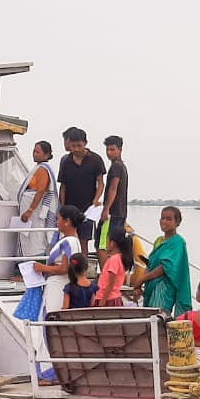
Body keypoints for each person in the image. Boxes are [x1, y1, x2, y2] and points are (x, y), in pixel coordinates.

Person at [14, 205, 83, 384]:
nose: (57, 222)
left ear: (67, 221)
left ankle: (50, 373)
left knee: (49, 326)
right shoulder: (71, 241)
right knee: (49, 326)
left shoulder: (70, 241)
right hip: (54, 286)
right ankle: (50, 371)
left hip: (58, 287)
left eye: (59, 219)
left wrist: (41, 267)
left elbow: (66, 268)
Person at [56, 128, 106, 253]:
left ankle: (82, 269)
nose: (76, 149)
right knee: (68, 240)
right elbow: (63, 186)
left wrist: (96, 199)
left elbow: (100, 182)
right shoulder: (66, 162)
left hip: (87, 209)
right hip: (69, 208)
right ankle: (68, 267)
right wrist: (62, 206)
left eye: (79, 145)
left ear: (85, 143)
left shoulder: (95, 160)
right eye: (73, 146)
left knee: (83, 241)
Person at [139, 206, 193, 316]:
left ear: (177, 222)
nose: (164, 221)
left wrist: (142, 279)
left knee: (159, 316)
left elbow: (165, 267)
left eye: (169, 219)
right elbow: (150, 264)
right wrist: (138, 284)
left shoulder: (178, 242)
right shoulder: (159, 240)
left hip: (164, 286)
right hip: (151, 283)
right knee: (149, 315)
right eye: (162, 218)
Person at [17, 140, 58, 257]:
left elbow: (40, 190)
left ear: (46, 155)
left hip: (36, 213)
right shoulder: (38, 167)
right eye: (34, 151)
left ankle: (36, 267)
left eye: (38, 152)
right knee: (28, 240)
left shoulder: (43, 169)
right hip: (32, 213)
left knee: (35, 240)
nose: (34, 154)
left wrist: (30, 210)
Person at [96, 136, 129, 268]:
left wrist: (106, 209)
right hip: (120, 213)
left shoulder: (116, 167)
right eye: (107, 150)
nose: (109, 152)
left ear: (119, 150)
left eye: (112, 149)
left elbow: (113, 188)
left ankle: (105, 275)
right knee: (114, 245)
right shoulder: (122, 167)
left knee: (102, 244)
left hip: (112, 213)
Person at [92, 229, 133, 306]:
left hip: (108, 299)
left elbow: (110, 285)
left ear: (112, 243)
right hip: (113, 297)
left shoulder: (114, 260)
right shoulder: (120, 258)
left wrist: (102, 302)